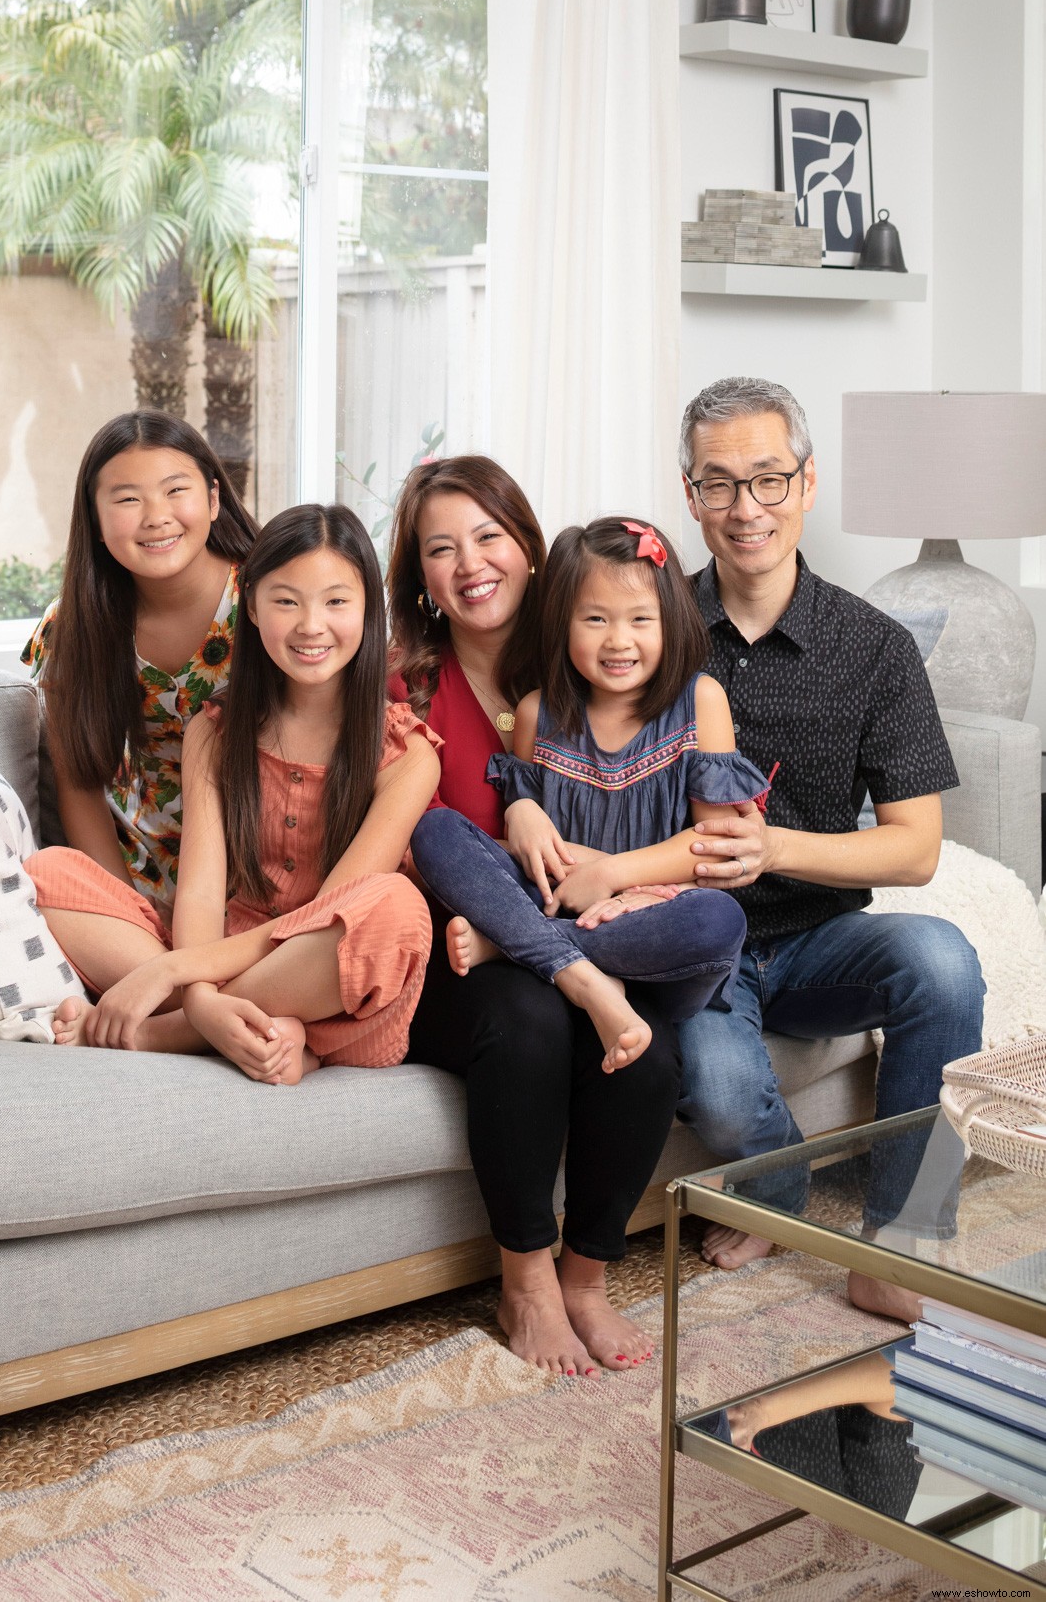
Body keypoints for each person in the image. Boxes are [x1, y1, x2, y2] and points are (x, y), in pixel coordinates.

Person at [675, 376, 984, 1319]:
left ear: (808, 484)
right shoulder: (654, 631)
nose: (745, 508)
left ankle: (902, 1236)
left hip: (818, 941)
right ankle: (779, 1195)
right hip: (695, 951)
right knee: (722, 1095)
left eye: (768, 479)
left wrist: (772, 850)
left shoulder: (875, 646)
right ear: (689, 494)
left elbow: (915, 848)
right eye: (719, 483)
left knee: (947, 962)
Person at [388, 457, 682, 1380]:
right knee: (525, 1017)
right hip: (452, 955)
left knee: (646, 1052)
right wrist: (509, 818)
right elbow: (403, 842)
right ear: (421, 578)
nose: (470, 563)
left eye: (489, 537)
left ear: (528, 545)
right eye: (442, 549)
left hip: (567, 932)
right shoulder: (403, 686)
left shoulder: (587, 667)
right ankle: (525, 1277)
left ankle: (586, 1276)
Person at [29, 503, 440, 1084]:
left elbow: (332, 911)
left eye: (336, 601)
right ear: (250, 606)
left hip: (326, 971)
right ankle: (261, 1031)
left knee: (395, 909)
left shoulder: (407, 754)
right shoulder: (215, 731)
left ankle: (164, 1033)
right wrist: (200, 992)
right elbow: (198, 893)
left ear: (369, 608)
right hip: (216, 956)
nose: (311, 625)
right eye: (286, 600)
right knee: (48, 874)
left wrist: (171, 979)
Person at [409, 515, 766, 1061]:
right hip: (557, 903)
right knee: (435, 830)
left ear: (670, 621)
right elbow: (535, 862)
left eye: (640, 619)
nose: (618, 641)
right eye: (595, 619)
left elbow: (715, 847)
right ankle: (564, 960)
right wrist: (521, 811)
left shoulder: (701, 702)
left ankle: (512, 949)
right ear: (563, 623)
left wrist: (612, 874)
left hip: (655, 931)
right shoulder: (536, 715)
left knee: (721, 921)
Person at [23, 409, 257, 926]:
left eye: (176, 491)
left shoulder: (271, 598)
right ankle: (169, 982)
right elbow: (80, 785)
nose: (156, 516)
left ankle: (178, 994)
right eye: (128, 499)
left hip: (263, 860)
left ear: (214, 499)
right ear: (96, 521)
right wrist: (134, 916)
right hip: (138, 865)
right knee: (46, 877)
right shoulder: (72, 628)